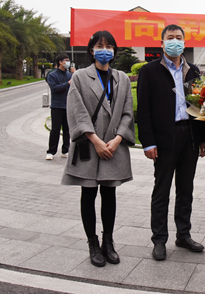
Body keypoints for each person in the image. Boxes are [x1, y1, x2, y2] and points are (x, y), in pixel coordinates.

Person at [62, 31, 135, 267]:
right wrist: (95, 140)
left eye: (109, 46)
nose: (105, 50)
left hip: (113, 146)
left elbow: (127, 113)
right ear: (92, 50)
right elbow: (77, 111)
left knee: (110, 194)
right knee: (88, 193)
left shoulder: (122, 78)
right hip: (90, 145)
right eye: (100, 46)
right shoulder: (80, 77)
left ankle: (108, 242)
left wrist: (117, 139)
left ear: (114, 50)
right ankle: (93, 243)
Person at [137, 24, 205, 261]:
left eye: (179, 37)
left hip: (189, 136)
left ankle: (183, 235)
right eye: (170, 38)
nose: (175, 41)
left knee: (186, 190)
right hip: (164, 139)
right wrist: (148, 142)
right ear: (162, 43)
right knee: (162, 190)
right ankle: (159, 239)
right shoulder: (149, 71)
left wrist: (203, 138)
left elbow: (200, 105)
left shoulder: (193, 71)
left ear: (184, 43)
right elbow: (143, 110)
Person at [46, 54, 75, 160]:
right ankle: (51, 151)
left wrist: (74, 74)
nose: (67, 62)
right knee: (55, 129)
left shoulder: (70, 75)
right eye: (66, 60)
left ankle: (65, 150)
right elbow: (54, 88)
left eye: (68, 60)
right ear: (60, 62)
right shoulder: (52, 75)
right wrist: (68, 83)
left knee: (67, 129)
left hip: (68, 105)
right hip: (57, 106)